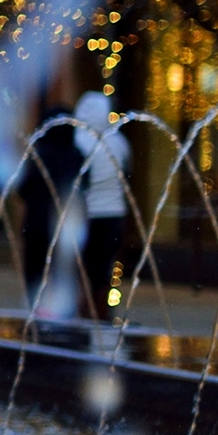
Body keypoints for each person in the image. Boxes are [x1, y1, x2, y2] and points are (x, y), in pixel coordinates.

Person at [18, 105, 83, 308]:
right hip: (64, 228)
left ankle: (35, 313)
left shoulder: (39, 155)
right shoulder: (76, 156)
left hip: (37, 225)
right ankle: (61, 315)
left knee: (36, 273)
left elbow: (22, 188)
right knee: (62, 274)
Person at [74, 90, 131, 320]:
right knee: (105, 267)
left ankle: (84, 311)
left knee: (83, 266)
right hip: (115, 213)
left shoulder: (78, 140)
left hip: (87, 214)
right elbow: (127, 173)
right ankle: (102, 309)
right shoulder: (118, 142)